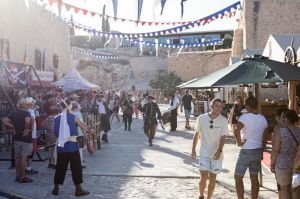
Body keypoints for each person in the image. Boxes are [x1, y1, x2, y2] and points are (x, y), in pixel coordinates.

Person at [192, 98, 228, 199]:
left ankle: (209, 197)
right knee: (203, 177)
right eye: (216, 106)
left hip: (217, 154)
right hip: (204, 152)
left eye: (221, 107)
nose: (219, 108)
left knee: (213, 178)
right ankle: (201, 195)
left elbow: (223, 137)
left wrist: (219, 151)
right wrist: (193, 149)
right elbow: (196, 133)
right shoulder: (201, 118)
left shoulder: (224, 121)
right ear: (211, 106)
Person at [52, 99, 89, 196]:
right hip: (72, 146)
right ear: (70, 107)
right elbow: (84, 127)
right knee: (76, 168)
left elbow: (55, 132)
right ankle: (78, 189)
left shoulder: (56, 118)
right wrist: (80, 122)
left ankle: (56, 187)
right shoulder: (74, 117)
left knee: (60, 167)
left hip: (62, 147)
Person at [234, 96, 268, 199]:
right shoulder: (263, 119)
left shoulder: (244, 117)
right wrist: (262, 151)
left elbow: (236, 131)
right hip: (257, 150)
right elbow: (265, 138)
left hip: (246, 150)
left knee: (238, 177)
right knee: (254, 178)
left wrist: (239, 142)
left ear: (248, 106)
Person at [1, 99, 33, 183]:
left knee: (18, 157)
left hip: (16, 138)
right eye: (26, 104)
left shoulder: (14, 113)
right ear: (24, 105)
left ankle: (17, 176)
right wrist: (26, 128)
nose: (27, 105)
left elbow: (4, 120)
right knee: (23, 157)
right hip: (25, 138)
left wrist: (13, 126)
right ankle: (23, 177)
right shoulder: (27, 113)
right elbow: (27, 121)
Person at [271, 110, 300, 199]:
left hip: (282, 164)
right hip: (297, 164)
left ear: (286, 119)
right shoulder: (299, 131)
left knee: (284, 189)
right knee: (295, 188)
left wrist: (272, 163)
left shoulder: (281, 132)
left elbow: (276, 150)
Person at [25, 97, 39, 175]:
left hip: (28, 133)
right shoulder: (31, 111)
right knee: (30, 152)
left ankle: (26, 167)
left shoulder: (25, 111)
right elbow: (33, 119)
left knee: (26, 152)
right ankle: (28, 168)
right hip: (32, 134)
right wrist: (31, 129)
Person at [71, 101, 86, 168]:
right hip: (79, 133)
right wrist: (84, 132)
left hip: (71, 134)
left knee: (72, 149)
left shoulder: (69, 114)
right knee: (80, 149)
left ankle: (71, 164)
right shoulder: (78, 114)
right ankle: (80, 163)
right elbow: (81, 124)